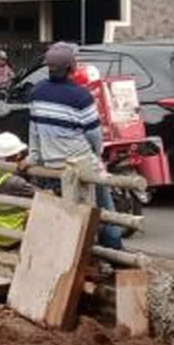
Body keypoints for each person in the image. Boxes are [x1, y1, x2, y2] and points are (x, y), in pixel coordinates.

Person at [27, 42, 123, 249]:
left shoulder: (37, 92)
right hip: (80, 163)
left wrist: (33, 157)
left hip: (50, 165)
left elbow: (34, 131)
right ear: (72, 68)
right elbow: (94, 136)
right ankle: (115, 253)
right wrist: (95, 156)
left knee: (57, 213)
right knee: (105, 208)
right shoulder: (81, 96)